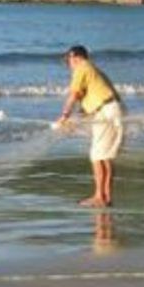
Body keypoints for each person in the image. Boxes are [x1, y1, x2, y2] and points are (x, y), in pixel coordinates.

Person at [55, 44, 124, 208]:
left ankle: (99, 196)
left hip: (105, 113)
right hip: (112, 110)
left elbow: (74, 95)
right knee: (105, 156)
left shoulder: (82, 68)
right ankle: (106, 196)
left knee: (97, 156)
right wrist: (74, 120)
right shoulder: (94, 70)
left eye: (69, 60)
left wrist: (64, 116)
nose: (68, 64)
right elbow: (88, 101)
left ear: (76, 57)